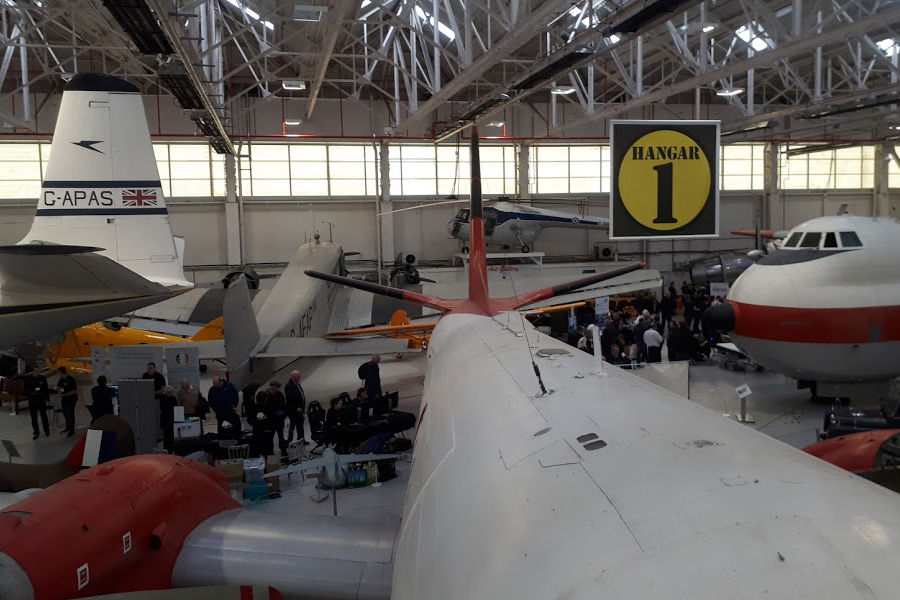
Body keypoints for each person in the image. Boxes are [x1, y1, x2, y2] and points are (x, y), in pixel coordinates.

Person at [23, 368, 50, 440]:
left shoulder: (43, 378)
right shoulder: (28, 379)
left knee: (44, 416)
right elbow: (25, 390)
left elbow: (46, 388)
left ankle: (46, 430)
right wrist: (31, 393)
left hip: (41, 400)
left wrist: (47, 398)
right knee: (34, 417)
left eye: (39, 371)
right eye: (36, 371)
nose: (38, 372)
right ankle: (36, 432)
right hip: (32, 401)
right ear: (33, 371)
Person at [262, 380, 287, 454]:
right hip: (271, 421)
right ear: (272, 387)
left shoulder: (279, 394)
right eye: (277, 387)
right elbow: (265, 409)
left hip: (279, 420)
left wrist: (283, 412)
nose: (278, 389)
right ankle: (270, 450)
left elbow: (283, 405)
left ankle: (283, 449)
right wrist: (274, 413)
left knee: (281, 436)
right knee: (270, 437)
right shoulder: (266, 396)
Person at [284, 370, 307, 445]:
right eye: (298, 376)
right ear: (293, 377)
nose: (300, 377)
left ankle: (301, 440)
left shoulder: (297, 384)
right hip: (294, 411)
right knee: (292, 427)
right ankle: (289, 442)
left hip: (300, 410)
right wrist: (296, 408)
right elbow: (289, 400)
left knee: (300, 427)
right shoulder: (289, 386)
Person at [56, 366, 78, 437]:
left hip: (71, 399)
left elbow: (74, 391)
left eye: (58, 372)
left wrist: (64, 394)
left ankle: (72, 430)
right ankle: (68, 427)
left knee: (70, 414)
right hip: (64, 399)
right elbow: (59, 387)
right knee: (65, 413)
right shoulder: (61, 379)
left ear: (61, 372)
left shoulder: (71, 379)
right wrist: (59, 391)